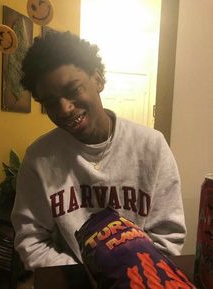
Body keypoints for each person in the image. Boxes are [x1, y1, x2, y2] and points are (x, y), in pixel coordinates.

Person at [11, 30, 186, 271]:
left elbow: (168, 236)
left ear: (98, 79)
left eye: (72, 90)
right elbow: (31, 241)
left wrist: (125, 277)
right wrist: (85, 277)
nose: (64, 109)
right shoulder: (39, 158)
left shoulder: (151, 146)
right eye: (50, 102)